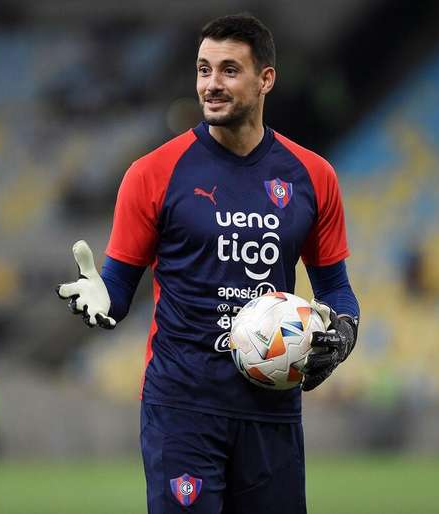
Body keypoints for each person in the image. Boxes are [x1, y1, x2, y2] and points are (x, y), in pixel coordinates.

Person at [56, 13, 359, 514]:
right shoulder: (151, 173)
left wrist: (343, 332)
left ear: (266, 79)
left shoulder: (312, 176)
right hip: (183, 407)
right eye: (203, 69)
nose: (211, 84)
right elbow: (117, 289)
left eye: (228, 70)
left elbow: (336, 290)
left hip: (272, 408)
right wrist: (100, 299)